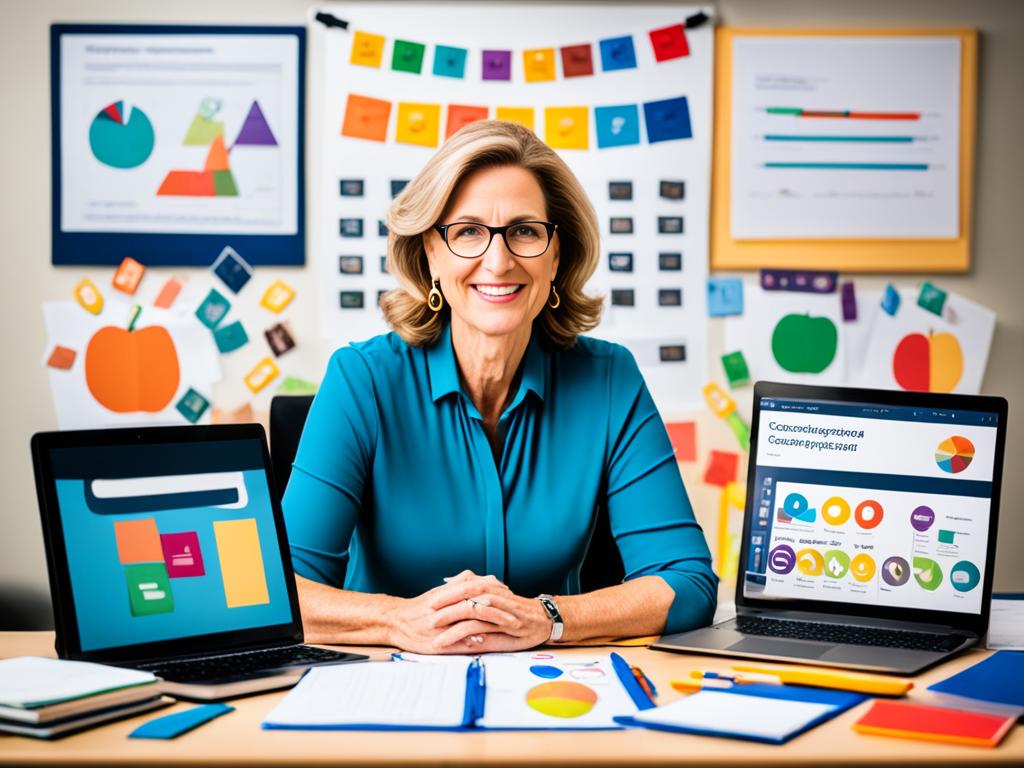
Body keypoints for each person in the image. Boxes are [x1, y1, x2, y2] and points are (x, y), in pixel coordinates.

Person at [283, 120, 716, 654]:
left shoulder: (609, 380)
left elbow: (687, 582)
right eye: (467, 231)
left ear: (557, 256)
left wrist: (547, 618)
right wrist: (400, 621)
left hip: (552, 696)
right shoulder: (362, 379)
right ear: (430, 256)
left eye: (525, 231)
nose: (498, 260)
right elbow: (283, 591)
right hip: (385, 692)